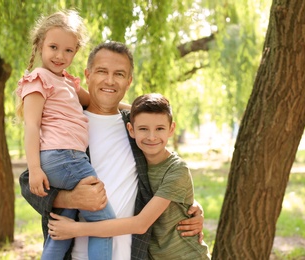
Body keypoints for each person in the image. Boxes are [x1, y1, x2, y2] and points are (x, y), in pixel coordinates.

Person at [19, 41, 205, 260]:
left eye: (119, 74)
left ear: (129, 82)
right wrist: (70, 199)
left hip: (132, 254)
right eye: (101, 71)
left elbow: (165, 173)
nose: (109, 80)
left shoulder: (137, 129)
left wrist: (190, 206)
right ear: (87, 75)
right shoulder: (67, 123)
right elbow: (29, 183)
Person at [48, 93, 211, 259]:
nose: (152, 136)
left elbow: (140, 224)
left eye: (160, 129)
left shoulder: (177, 170)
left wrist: (75, 229)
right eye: (143, 129)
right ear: (131, 130)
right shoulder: (138, 159)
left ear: (171, 129)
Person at [16, 10, 116, 260]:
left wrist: (135, 108)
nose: (60, 56)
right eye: (53, 47)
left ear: (76, 51)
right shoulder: (38, 79)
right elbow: (31, 127)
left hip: (65, 159)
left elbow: (96, 101)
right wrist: (35, 169)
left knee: (61, 230)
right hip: (64, 158)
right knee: (104, 223)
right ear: (39, 45)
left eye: (69, 50)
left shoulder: (68, 83)